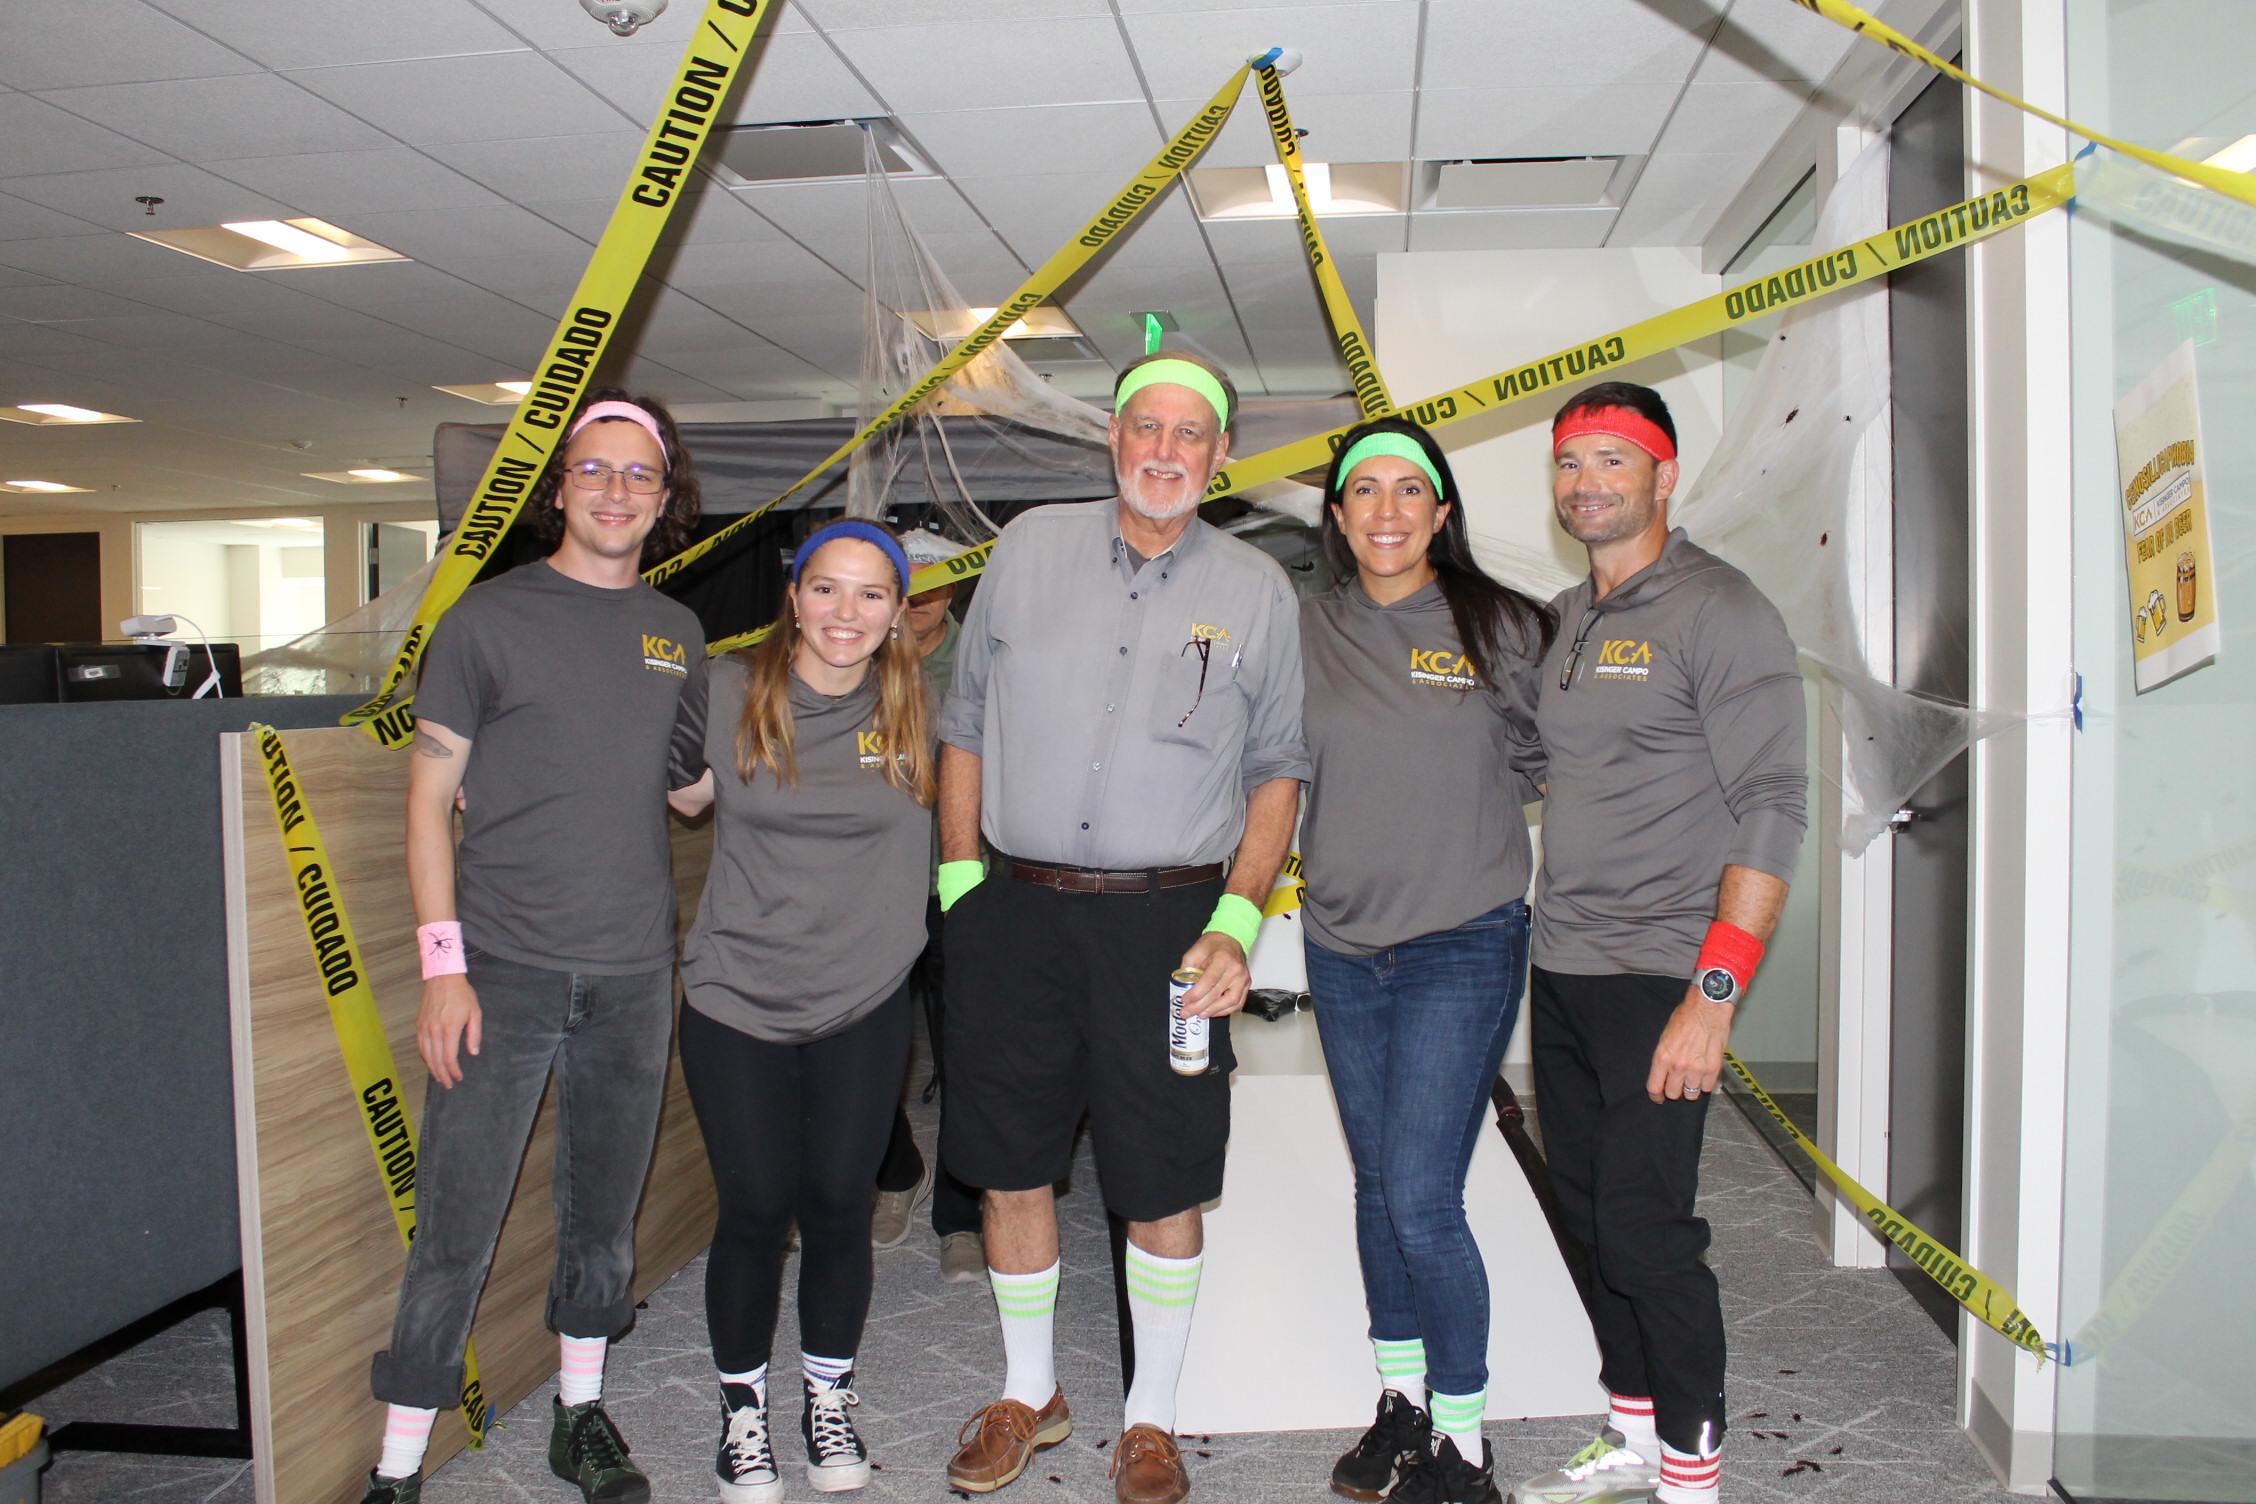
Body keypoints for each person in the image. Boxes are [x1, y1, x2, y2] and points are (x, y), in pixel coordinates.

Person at [936, 351, 1307, 1504]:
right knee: (1009, 1160)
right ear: (1112, 437)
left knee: (1162, 1176)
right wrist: (959, 888)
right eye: (1148, 426)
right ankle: (1030, 1391)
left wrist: (1238, 922)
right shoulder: (1027, 548)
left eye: (1191, 433)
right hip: (1014, 908)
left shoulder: (1257, 590)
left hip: (1172, 928)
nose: (1166, 449)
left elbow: (1278, 771)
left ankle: (1152, 1417)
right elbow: (964, 724)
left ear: (1220, 456)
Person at [361, 390, 707, 1504]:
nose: (615, 491)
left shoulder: (678, 633)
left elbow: (691, 791)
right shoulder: (485, 621)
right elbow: (427, 807)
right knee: (456, 1226)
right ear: (560, 488)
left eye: (637, 476)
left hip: (632, 973)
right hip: (498, 971)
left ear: (665, 500)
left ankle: (577, 1415)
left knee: (603, 1219)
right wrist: (442, 966)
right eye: (594, 471)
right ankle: (397, 1469)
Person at [1509, 383, 1805, 1504]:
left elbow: (1774, 801)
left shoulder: (1722, 612)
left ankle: (1693, 1474)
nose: (1587, 482)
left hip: (1663, 976)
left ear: (1663, 475)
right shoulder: (1564, 618)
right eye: (1570, 462)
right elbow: (1545, 769)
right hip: (1566, 965)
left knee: (1645, 1230)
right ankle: (1632, 1430)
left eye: (1612, 461)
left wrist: (1714, 994)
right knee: (1587, 1219)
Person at [1298, 417, 1554, 1504]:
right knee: (1377, 1187)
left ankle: (1464, 1440)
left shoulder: (1500, 625)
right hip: (1342, 946)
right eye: (1368, 491)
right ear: (1340, 513)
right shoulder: (1301, 630)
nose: (1389, 510)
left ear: (1441, 513)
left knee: (1420, 1195)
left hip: (1463, 936)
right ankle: (1399, 1403)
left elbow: (1555, 765)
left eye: (1412, 491)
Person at [666, 518, 936, 1502]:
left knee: (836, 1209)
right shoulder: (729, 689)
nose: (845, 613)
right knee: (753, 1210)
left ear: (899, 611)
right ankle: (743, 1413)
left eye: (871, 594)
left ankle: (829, 1398)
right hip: (736, 997)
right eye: (827, 588)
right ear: (794, 595)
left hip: (863, 1004)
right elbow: (674, 792)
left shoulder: (923, 713)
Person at [867, 530, 986, 1278]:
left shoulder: (989, 657)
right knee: (860, 1043)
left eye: (938, 582)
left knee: (968, 1048)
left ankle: (961, 1211)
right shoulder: (846, 653)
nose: (922, 598)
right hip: (870, 880)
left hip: (963, 874)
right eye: (907, 584)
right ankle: (895, 1170)